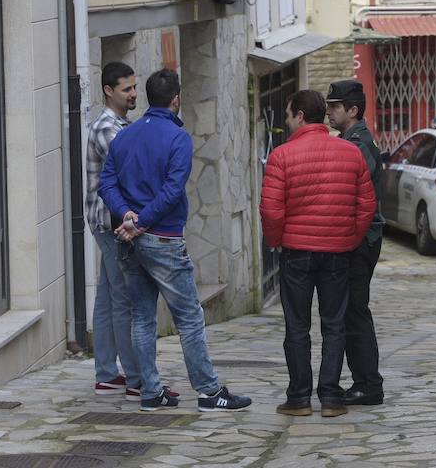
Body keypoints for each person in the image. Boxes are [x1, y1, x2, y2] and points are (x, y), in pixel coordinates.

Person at [98, 69, 251, 413]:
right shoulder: (178, 138)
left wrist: (127, 217)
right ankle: (209, 392)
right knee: (189, 317)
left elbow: (106, 184)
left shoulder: (125, 135)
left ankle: (150, 391)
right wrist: (142, 222)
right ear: (176, 100)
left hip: (129, 239)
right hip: (162, 237)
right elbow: (172, 189)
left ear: (149, 97)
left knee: (141, 316)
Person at [260, 89, 377, 418]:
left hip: (296, 251)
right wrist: (349, 239)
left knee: (296, 327)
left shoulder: (282, 156)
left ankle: (298, 398)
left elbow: (270, 210)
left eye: (287, 115)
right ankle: (330, 397)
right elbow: (366, 205)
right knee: (334, 325)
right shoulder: (350, 153)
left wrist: (277, 240)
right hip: (337, 252)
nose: (286, 121)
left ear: (300, 116)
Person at [86, 62, 146, 401]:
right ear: (109, 91)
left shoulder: (122, 123)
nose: (134, 93)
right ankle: (136, 378)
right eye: (127, 89)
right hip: (111, 222)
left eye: (135, 87)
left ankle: (107, 374)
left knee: (108, 295)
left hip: (108, 220)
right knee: (123, 298)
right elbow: (131, 168)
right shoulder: (107, 127)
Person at [325, 80, 386, 406]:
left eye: (335, 107)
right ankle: (364, 381)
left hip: (360, 241)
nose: (329, 112)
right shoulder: (351, 140)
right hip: (361, 238)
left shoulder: (357, 145)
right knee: (352, 312)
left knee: (355, 313)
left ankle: (368, 384)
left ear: (353, 110)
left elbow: (354, 197)